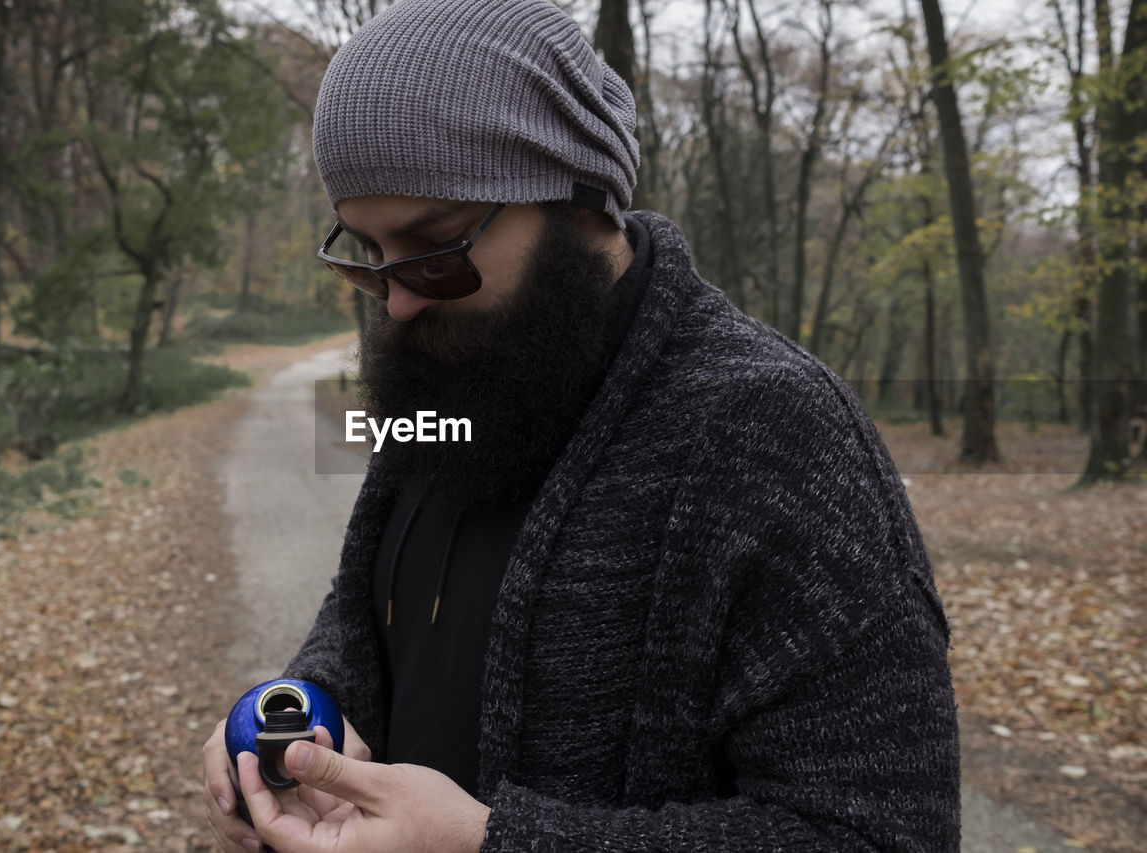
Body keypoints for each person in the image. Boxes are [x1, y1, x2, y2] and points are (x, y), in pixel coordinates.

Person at [202, 0, 961, 850]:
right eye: (369, 258)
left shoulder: (775, 431)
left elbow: (881, 832)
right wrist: (299, 714)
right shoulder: (446, 371)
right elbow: (375, 601)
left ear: (580, 198)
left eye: (437, 249)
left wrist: (491, 843)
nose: (402, 301)